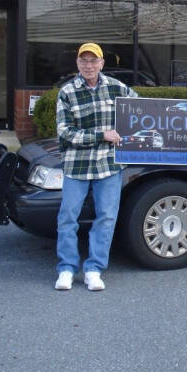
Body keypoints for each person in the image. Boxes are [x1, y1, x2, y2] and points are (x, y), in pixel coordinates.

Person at [54, 42, 137, 291]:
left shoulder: (117, 87)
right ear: (78, 64)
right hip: (76, 166)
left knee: (107, 218)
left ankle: (94, 269)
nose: (89, 66)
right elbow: (65, 132)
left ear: (101, 63)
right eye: (84, 61)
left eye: (93, 61)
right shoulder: (67, 92)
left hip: (109, 165)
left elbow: (142, 110)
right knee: (68, 218)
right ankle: (66, 269)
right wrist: (102, 134)